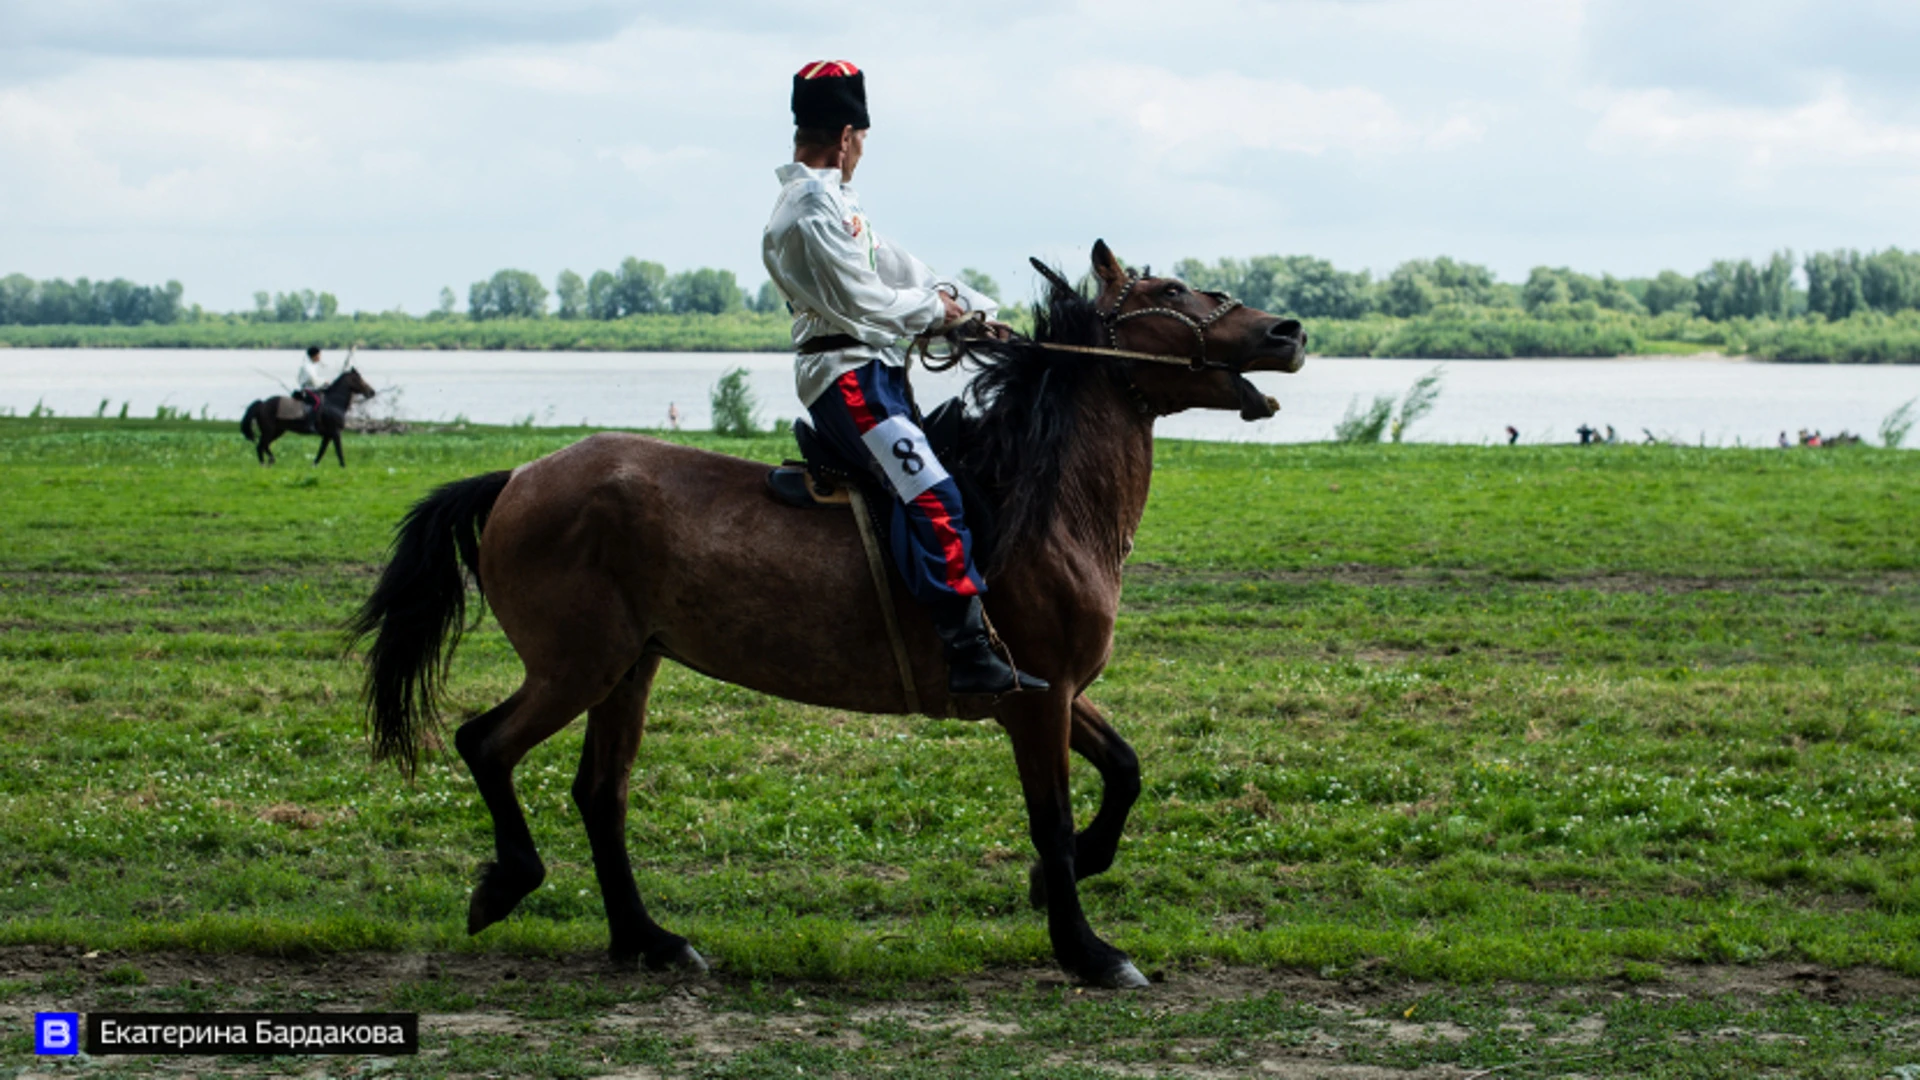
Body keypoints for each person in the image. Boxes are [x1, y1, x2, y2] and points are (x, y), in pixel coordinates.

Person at [761, 59, 1045, 698]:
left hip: (875, 373)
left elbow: (901, 269)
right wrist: (934, 313)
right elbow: (862, 300)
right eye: (862, 140)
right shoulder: (808, 208)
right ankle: (968, 652)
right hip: (848, 380)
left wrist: (971, 312)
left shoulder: (835, 203)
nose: (862, 151)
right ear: (845, 136)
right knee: (934, 494)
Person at [295, 346, 329, 416]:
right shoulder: (307, 366)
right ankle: (310, 422)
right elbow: (313, 380)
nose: (320, 357)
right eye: (319, 355)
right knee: (318, 402)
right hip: (308, 390)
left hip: (314, 389)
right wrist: (324, 381)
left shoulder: (313, 366)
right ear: (314, 356)